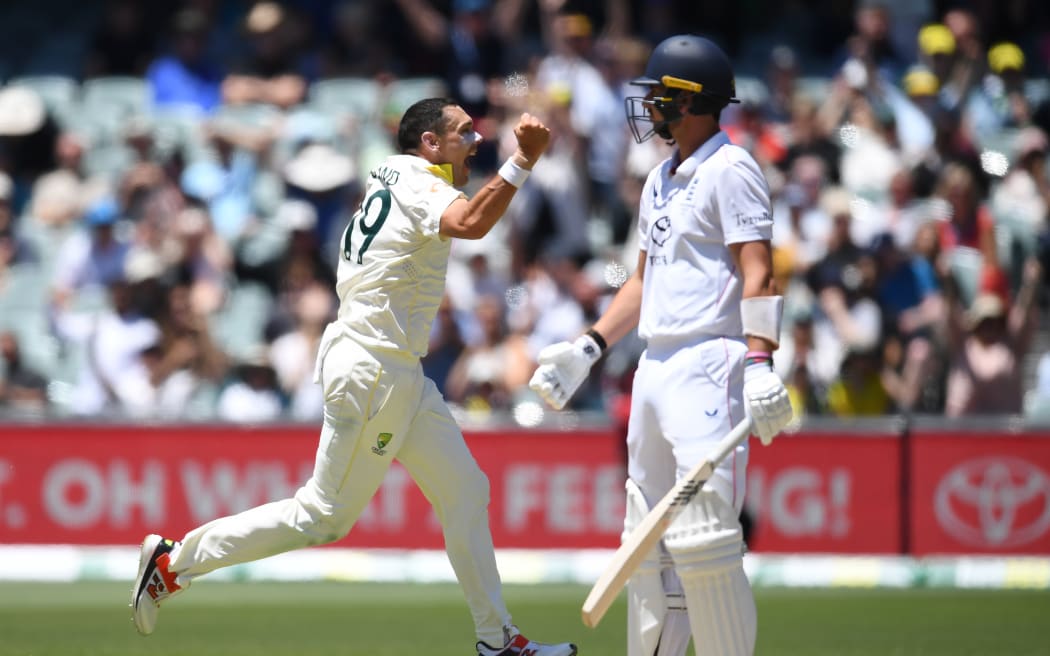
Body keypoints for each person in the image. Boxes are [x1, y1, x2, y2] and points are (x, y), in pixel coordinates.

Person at [131, 97, 576, 656]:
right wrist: (523, 160)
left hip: (396, 369)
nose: (477, 140)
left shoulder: (398, 178)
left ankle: (496, 640)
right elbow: (471, 223)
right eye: (464, 132)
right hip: (373, 366)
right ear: (430, 144)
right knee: (322, 517)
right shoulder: (417, 180)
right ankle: (174, 564)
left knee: (466, 490)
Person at [529, 35, 792, 656]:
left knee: (707, 543)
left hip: (710, 361)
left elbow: (759, 271)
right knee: (645, 543)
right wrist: (588, 347)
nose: (649, 107)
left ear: (691, 100)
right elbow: (643, 283)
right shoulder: (657, 181)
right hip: (654, 365)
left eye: (660, 96)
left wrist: (759, 361)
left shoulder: (733, 169)